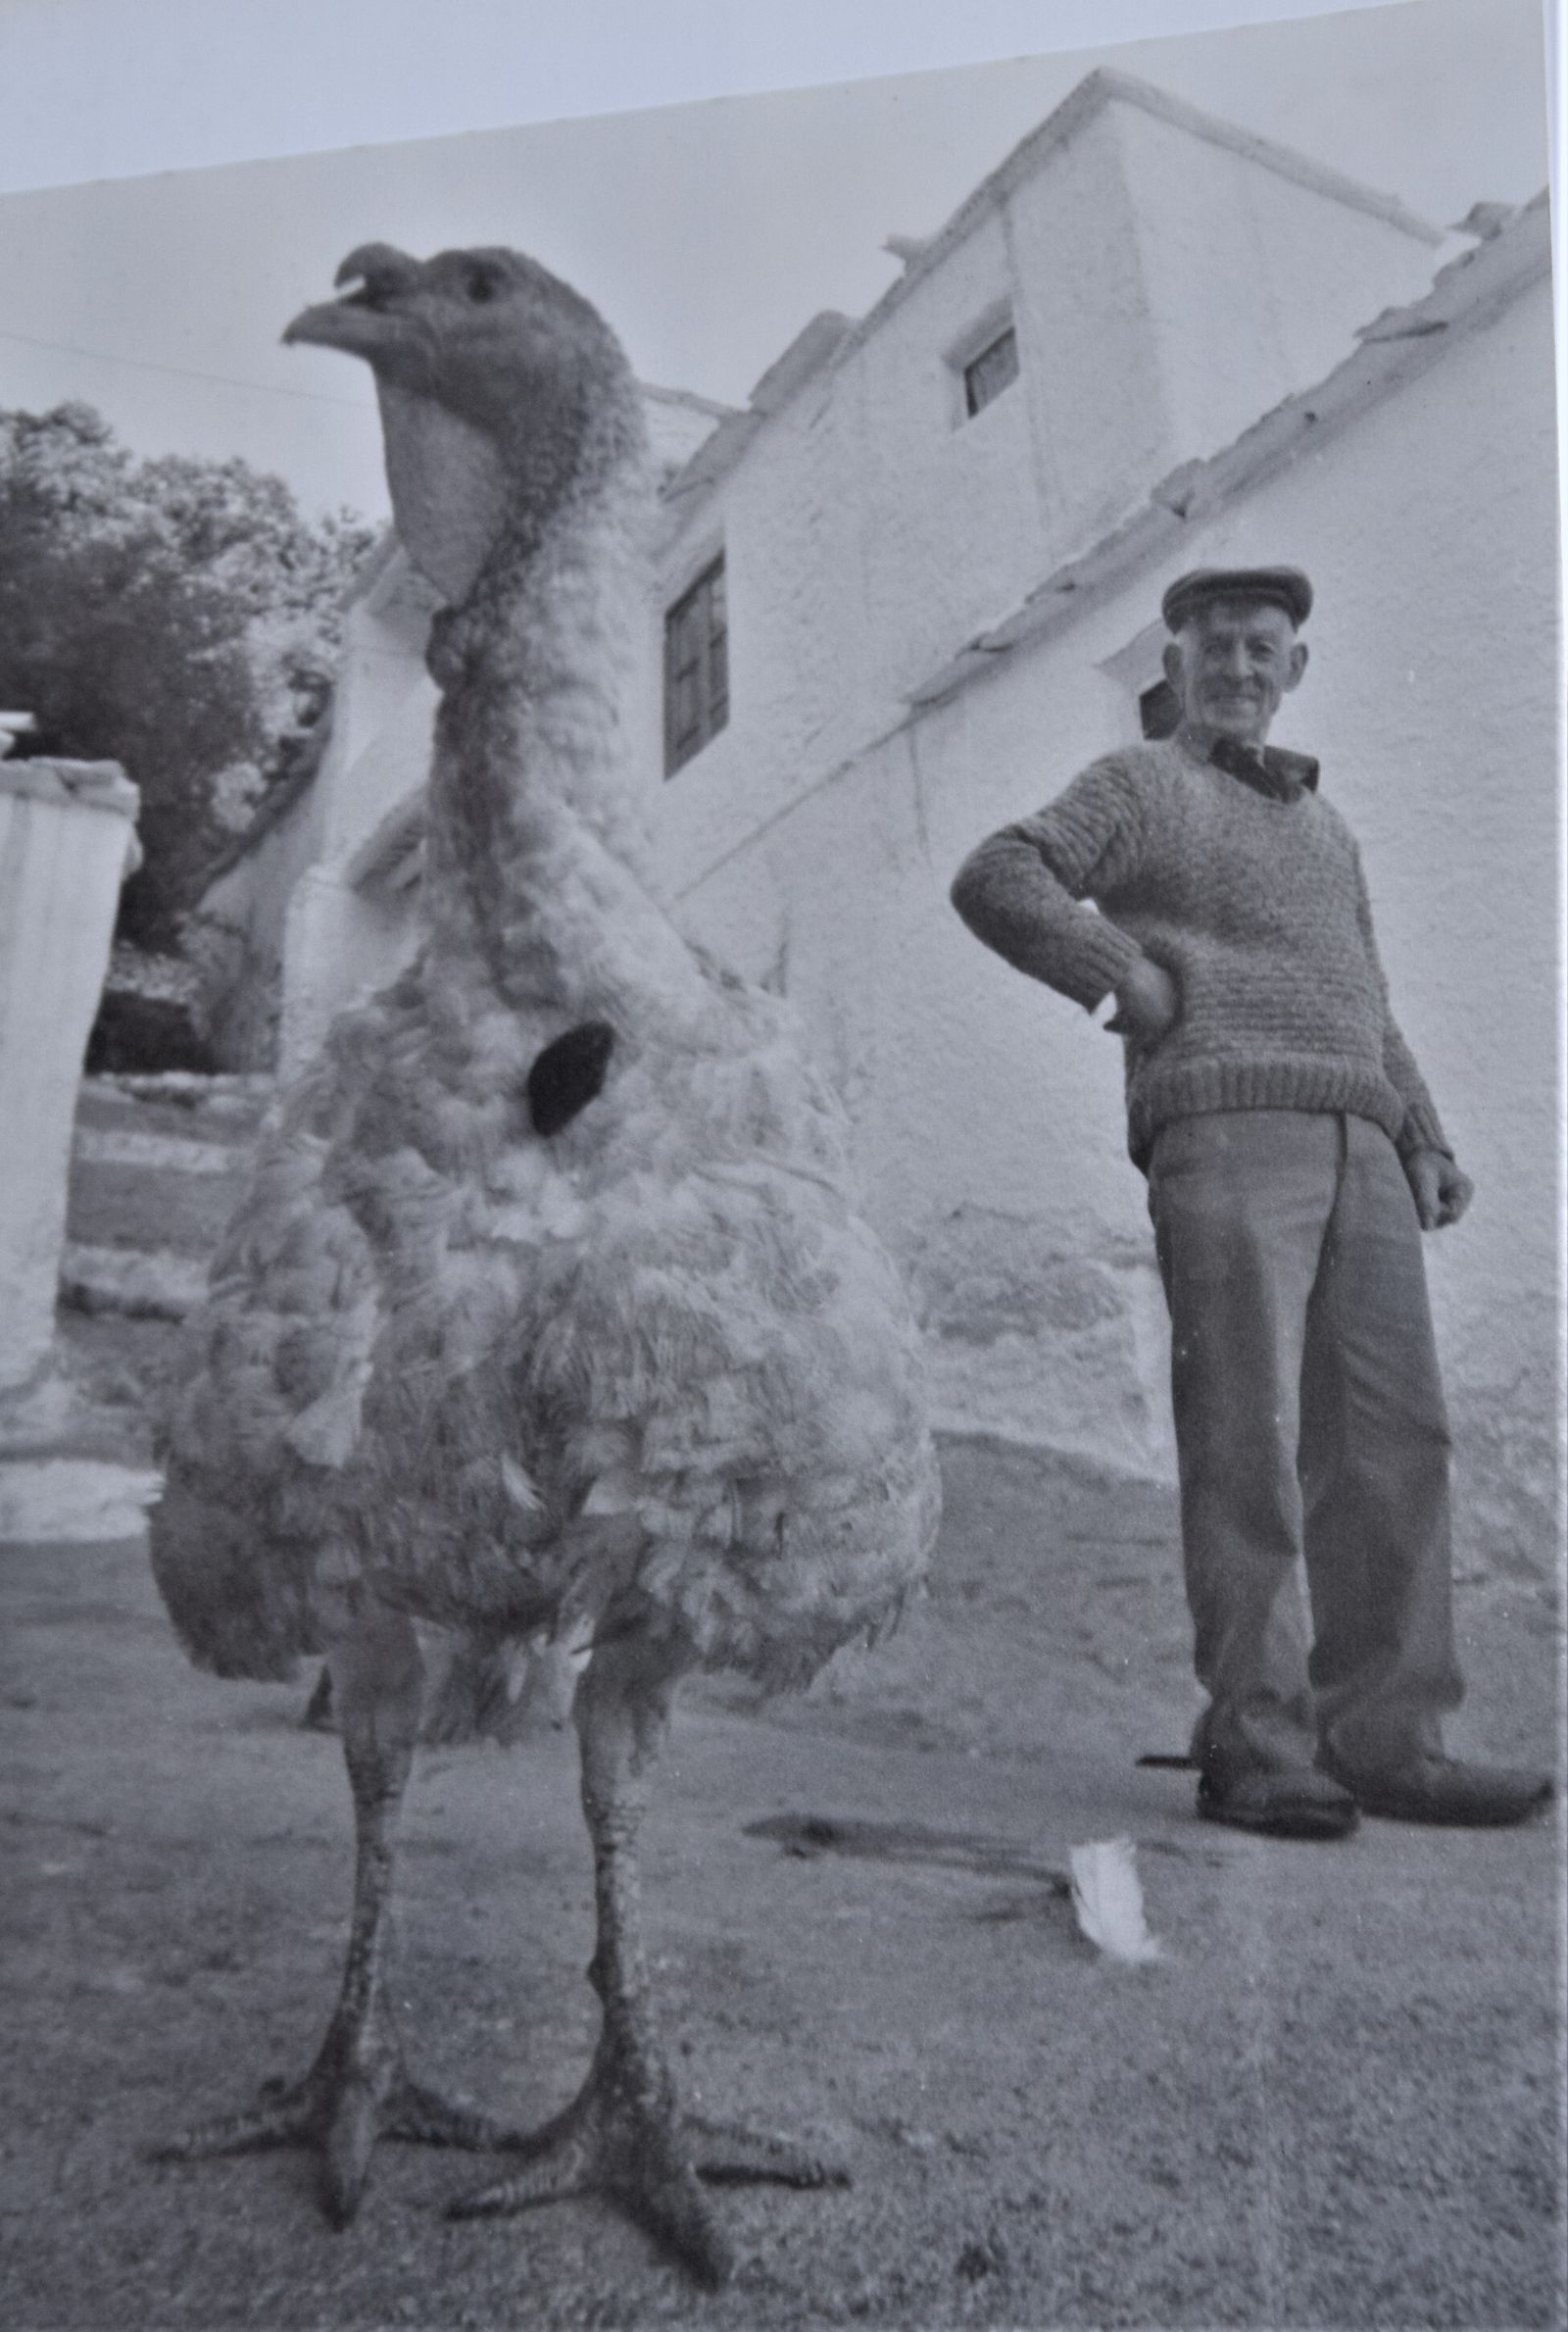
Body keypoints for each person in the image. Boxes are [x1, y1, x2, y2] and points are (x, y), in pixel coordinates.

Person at [950, 565, 1551, 1841]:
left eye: (1262, 648)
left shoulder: (1329, 829)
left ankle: (1389, 1738)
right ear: (1176, 665)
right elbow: (1002, 875)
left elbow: (1367, 995)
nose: (1239, 667)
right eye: (1216, 645)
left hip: (1365, 1145)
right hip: (1222, 1130)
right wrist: (1124, 983)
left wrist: (1426, 1135)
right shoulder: (1139, 784)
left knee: (1396, 1444)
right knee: (1244, 1434)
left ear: (1296, 668)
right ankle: (1259, 1741)